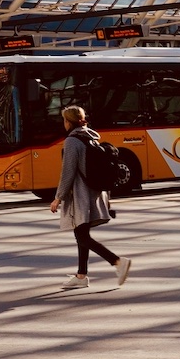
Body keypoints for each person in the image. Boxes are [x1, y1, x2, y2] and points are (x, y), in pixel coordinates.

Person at [50, 106, 132, 290]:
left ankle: (118, 262)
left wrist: (58, 197)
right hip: (94, 193)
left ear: (68, 122)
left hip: (81, 195)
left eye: (64, 120)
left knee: (82, 236)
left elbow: (68, 172)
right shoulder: (90, 136)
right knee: (82, 235)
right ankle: (81, 276)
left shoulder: (72, 141)